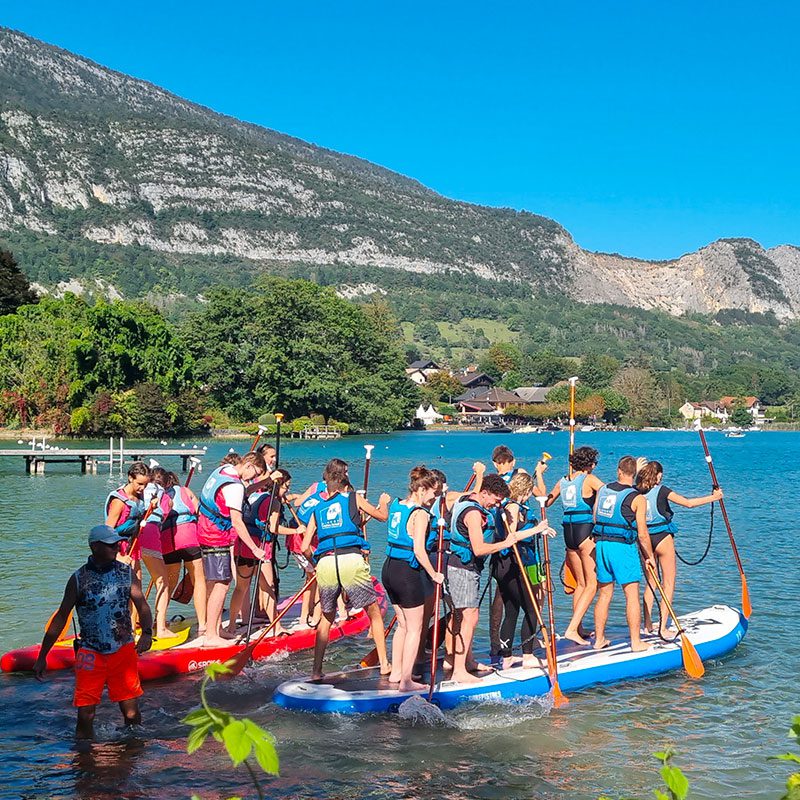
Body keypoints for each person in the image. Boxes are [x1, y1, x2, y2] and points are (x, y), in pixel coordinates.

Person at [33, 525, 153, 739]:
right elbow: (61, 617)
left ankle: (134, 752)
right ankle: (84, 755)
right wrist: (43, 656)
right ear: (95, 547)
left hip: (122, 650)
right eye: (111, 545)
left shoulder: (126, 573)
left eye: (117, 544)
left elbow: (142, 605)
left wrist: (146, 633)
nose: (117, 548)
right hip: (90, 653)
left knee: (131, 713)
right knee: (86, 714)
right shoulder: (79, 579)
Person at [300, 458, 391, 680]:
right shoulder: (353, 497)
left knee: (327, 618)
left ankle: (316, 671)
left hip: (326, 564)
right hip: (350, 559)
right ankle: (385, 664)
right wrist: (384, 502)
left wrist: (316, 564)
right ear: (344, 482)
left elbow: (304, 547)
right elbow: (382, 516)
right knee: (374, 613)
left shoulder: (317, 508)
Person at [445, 473, 525, 684]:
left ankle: (466, 661)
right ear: (484, 492)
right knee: (470, 617)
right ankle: (459, 670)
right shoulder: (473, 513)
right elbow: (479, 549)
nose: (496, 505)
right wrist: (506, 543)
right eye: (495, 500)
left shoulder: (465, 499)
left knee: (462, 616)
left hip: (463, 567)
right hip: (463, 568)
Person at [636, 461, 723, 635]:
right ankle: (662, 627)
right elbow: (688, 503)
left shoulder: (635, 491)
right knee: (668, 583)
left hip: (644, 540)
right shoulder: (662, 490)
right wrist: (714, 497)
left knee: (651, 582)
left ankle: (647, 625)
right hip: (662, 538)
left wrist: (639, 471)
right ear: (658, 475)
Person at [381, 466, 443, 691]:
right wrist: (434, 574)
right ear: (422, 489)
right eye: (433, 493)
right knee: (415, 629)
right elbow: (418, 550)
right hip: (407, 572)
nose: (434, 498)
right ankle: (406, 681)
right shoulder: (420, 514)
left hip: (389, 569)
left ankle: (396, 672)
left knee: (402, 625)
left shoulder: (397, 505)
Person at [196, 452, 267, 647]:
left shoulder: (223, 470)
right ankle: (211, 636)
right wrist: (254, 549)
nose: (252, 479)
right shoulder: (235, 486)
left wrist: (266, 481)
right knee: (222, 584)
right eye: (254, 474)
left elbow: (243, 492)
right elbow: (237, 521)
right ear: (249, 465)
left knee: (214, 584)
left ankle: (216, 628)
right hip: (216, 536)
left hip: (203, 531)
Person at [592, 456, 656, 652]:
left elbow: (594, 517)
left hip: (601, 545)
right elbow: (643, 534)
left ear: (618, 471)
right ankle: (636, 642)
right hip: (622, 548)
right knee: (632, 595)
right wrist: (649, 556)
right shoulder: (638, 498)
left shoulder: (603, 489)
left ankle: (599, 639)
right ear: (634, 474)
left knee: (604, 594)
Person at [229, 470, 303, 635]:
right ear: (278, 485)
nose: (287, 491)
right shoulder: (273, 502)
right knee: (268, 587)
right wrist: (296, 531)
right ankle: (277, 626)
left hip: (242, 545)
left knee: (241, 588)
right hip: (259, 548)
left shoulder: (254, 495)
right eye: (286, 487)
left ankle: (232, 626)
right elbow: (273, 528)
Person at [493, 473, 554, 669]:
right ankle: (528, 656)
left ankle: (507, 657)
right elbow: (512, 536)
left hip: (504, 565)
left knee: (512, 610)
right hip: (511, 564)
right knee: (531, 608)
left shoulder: (511, 506)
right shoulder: (512, 507)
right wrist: (537, 529)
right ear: (525, 491)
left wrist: (541, 530)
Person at [547, 446, 605, 644]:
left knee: (580, 583)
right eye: (594, 463)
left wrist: (539, 475)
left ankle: (578, 628)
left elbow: (547, 501)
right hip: (585, 531)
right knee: (592, 584)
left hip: (568, 533)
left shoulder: (563, 480)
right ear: (590, 464)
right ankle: (572, 629)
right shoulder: (589, 479)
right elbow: (609, 494)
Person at [160, 471, 206, 637]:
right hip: (189, 540)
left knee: (168, 583)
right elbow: (200, 513)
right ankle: (203, 624)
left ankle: (160, 621)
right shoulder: (185, 491)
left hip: (167, 542)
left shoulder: (158, 495)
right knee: (198, 580)